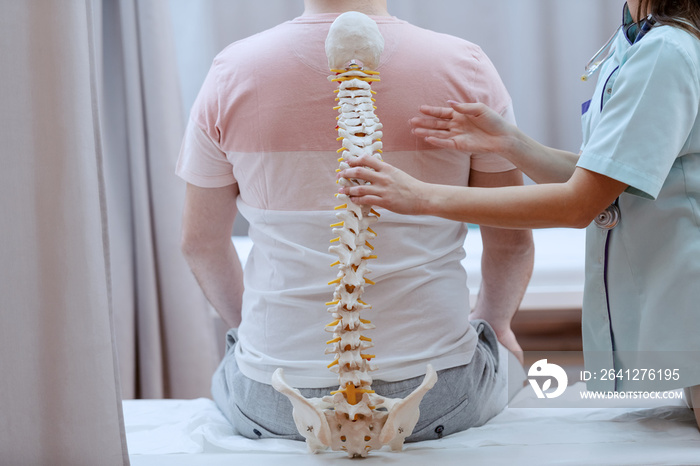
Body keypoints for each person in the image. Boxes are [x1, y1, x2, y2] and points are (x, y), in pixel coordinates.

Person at [178, 0, 534, 441]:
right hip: (436, 393)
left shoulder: (231, 71)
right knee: (506, 357)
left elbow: (201, 242)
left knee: (234, 359)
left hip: (274, 396)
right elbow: (512, 241)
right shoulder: (466, 65)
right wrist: (495, 325)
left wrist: (254, 335)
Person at [339, 0, 700, 428]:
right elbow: (606, 176)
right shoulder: (640, 43)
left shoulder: (667, 50)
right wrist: (509, 142)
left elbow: (579, 204)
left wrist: (422, 197)